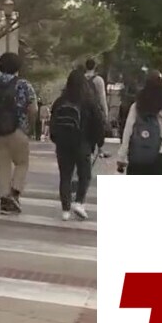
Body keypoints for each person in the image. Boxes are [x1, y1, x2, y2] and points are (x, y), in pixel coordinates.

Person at [0, 52, 38, 215]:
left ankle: (4, 200)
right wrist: (29, 127)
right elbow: (33, 108)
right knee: (22, 163)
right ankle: (14, 193)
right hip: (17, 129)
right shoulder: (23, 85)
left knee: (3, 166)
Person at [50, 67, 106, 221]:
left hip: (63, 144)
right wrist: (99, 142)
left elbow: (53, 122)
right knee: (85, 175)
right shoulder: (89, 101)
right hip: (83, 144)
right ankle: (79, 202)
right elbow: (98, 123)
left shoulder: (60, 101)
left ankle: (65, 210)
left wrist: (56, 138)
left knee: (65, 176)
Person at [117, 70, 162, 175]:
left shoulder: (137, 106)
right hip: (159, 157)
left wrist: (122, 156)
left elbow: (128, 131)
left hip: (137, 156)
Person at [84, 58, 110, 136]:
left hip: (82, 108)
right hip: (94, 109)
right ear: (95, 67)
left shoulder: (81, 78)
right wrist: (105, 113)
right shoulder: (98, 80)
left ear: (85, 66)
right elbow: (102, 97)